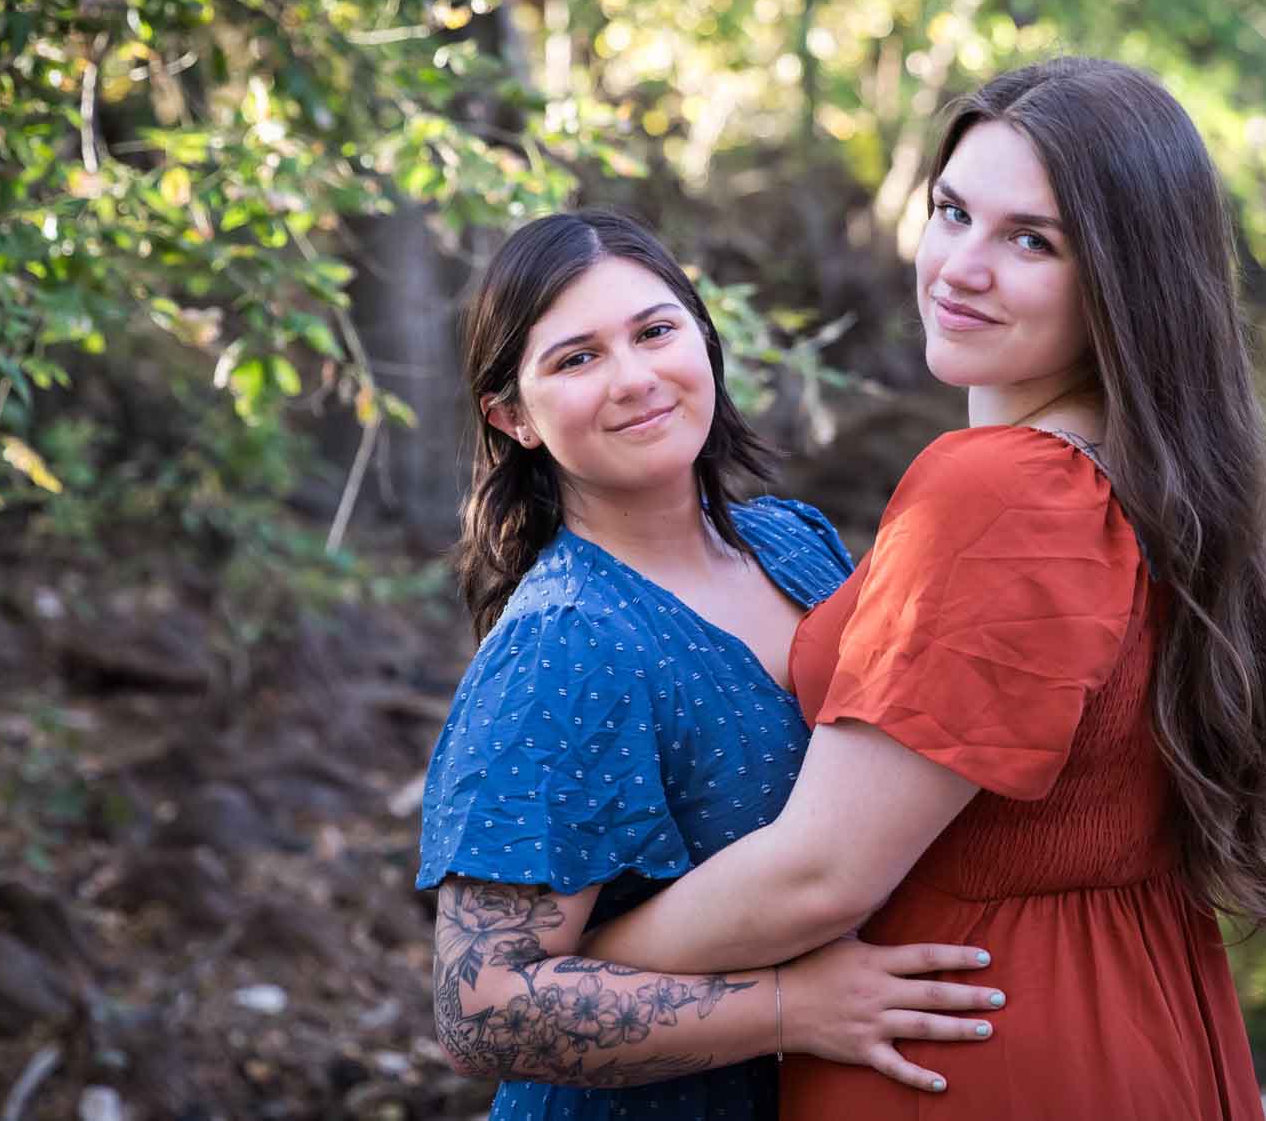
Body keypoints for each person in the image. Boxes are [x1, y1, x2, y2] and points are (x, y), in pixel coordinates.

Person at [581, 57, 1266, 1117]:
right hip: (1128, 1014)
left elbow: (820, 874)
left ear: (1125, 279)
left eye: (1030, 240)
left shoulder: (1003, 493)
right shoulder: (1154, 472)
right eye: (951, 212)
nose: (959, 267)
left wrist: (573, 970)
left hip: (974, 1053)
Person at [416, 209, 1003, 1121]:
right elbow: (478, 1008)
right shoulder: (562, 644)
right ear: (514, 417)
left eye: (655, 331)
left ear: (703, 337)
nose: (635, 377)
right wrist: (787, 1009)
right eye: (577, 358)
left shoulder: (797, 543)